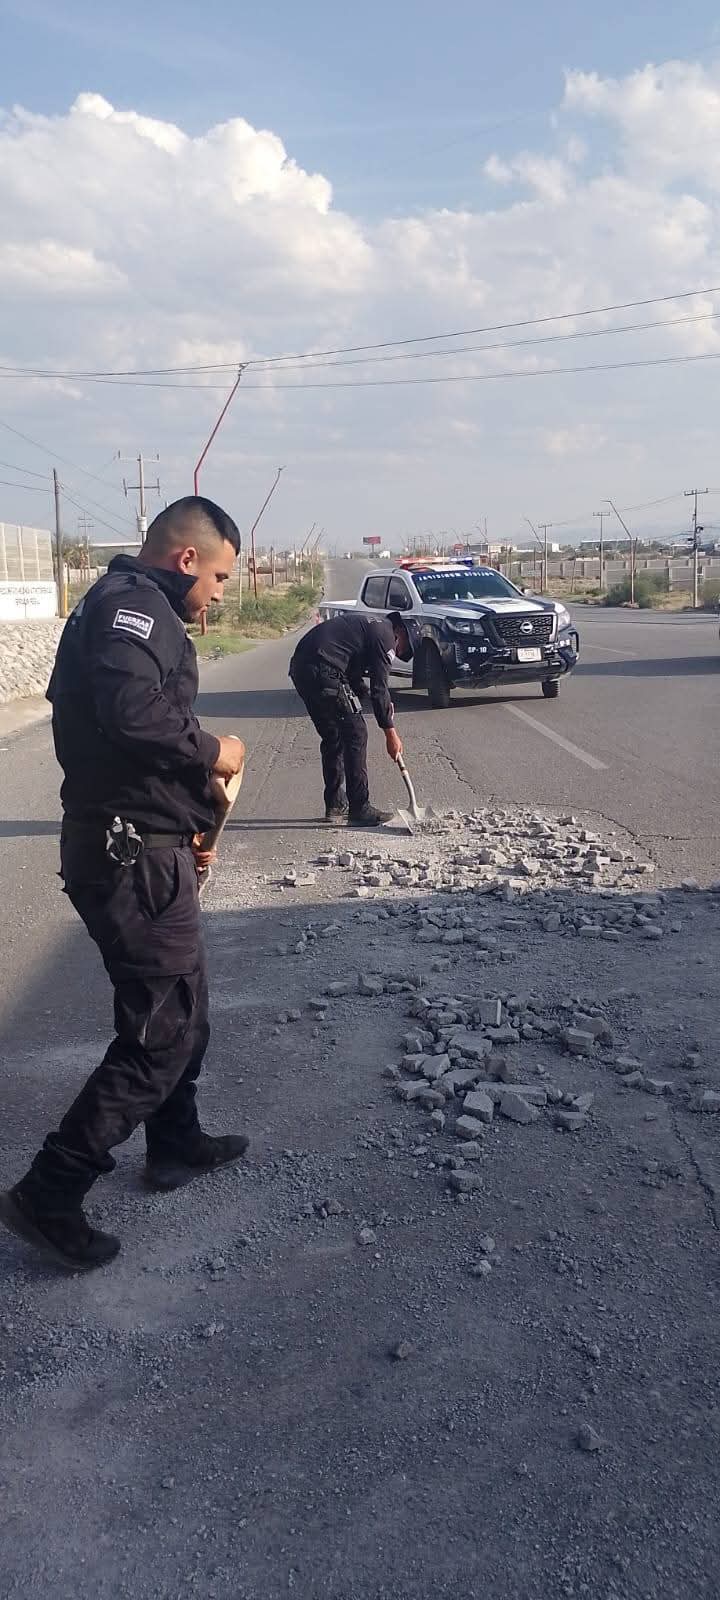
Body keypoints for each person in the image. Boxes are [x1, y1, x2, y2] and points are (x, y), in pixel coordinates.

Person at [0, 496, 248, 1271]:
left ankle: (175, 1145)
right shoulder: (130, 608)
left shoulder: (124, 606)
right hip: (130, 855)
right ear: (185, 559)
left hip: (149, 847)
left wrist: (193, 821)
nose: (218, 594)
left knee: (182, 1007)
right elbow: (133, 715)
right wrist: (217, 753)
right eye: (218, 576)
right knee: (160, 1031)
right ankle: (50, 1190)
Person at [289, 609, 412, 825]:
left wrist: (376, 701)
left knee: (333, 735)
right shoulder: (386, 637)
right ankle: (360, 808)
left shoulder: (369, 628)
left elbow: (354, 678)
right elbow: (379, 690)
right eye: (402, 648)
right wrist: (391, 734)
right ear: (400, 633)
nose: (398, 653)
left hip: (303, 669)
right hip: (324, 668)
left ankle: (336, 804)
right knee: (356, 732)